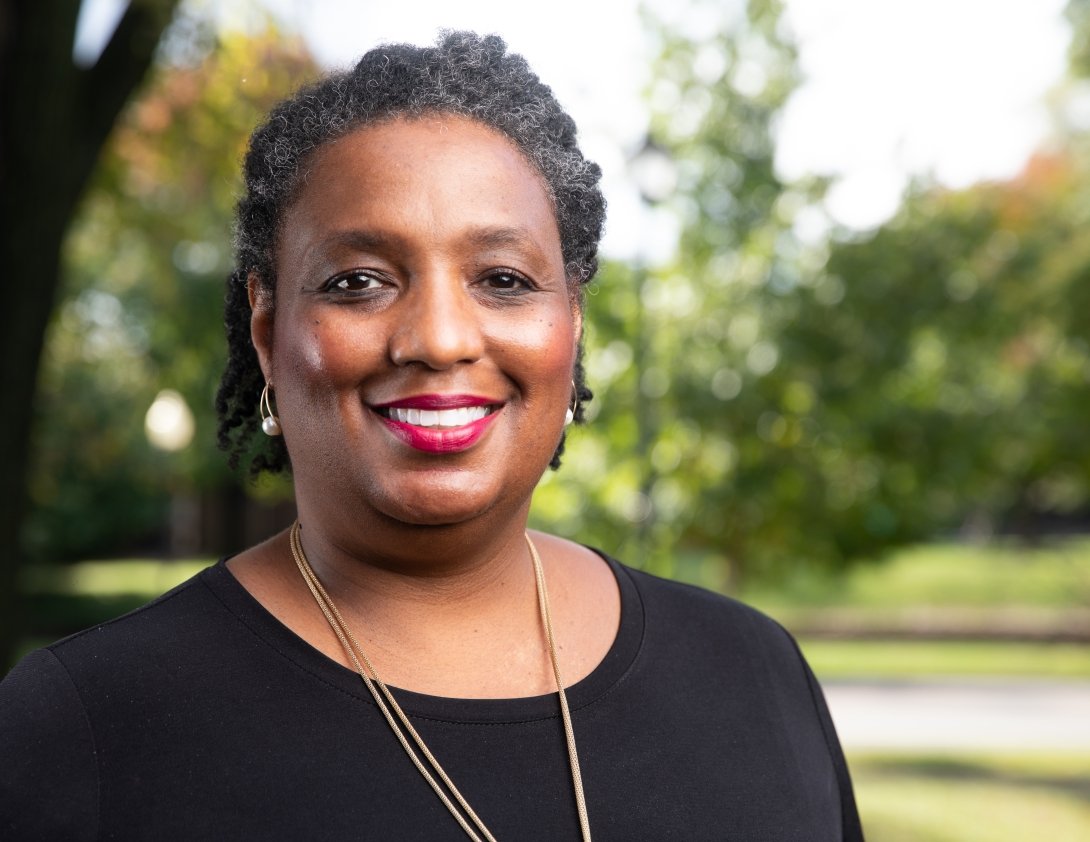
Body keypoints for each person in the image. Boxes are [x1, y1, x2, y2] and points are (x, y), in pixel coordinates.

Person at [0, 32, 863, 841]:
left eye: (502, 277)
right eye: (359, 281)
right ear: (267, 329)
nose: (441, 338)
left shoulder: (756, 673)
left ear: (572, 323)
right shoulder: (82, 730)